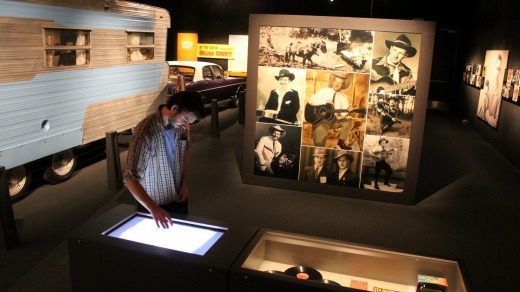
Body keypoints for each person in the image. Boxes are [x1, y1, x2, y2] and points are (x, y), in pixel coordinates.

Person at [123, 91, 205, 229]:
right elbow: (129, 176)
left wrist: (184, 184)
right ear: (174, 108)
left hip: (178, 196)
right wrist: (153, 208)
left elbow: (185, 152)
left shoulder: (180, 127)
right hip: (154, 203)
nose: (186, 126)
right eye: (185, 120)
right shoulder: (146, 131)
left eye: (189, 122)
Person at [307, 72, 353, 150]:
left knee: (348, 120)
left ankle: (341, 143)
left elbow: (343, 113)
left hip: (333, 120)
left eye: (340, 83)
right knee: (319, 145)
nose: (337, 84)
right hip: (320, 119)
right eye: (336, 81)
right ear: (333, 82)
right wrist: (325, 102)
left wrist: (346, 114)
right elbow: (310, 101)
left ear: (343, 85)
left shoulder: (344, 97)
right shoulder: (324, 91)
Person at [477, 53, 503, 128]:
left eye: (499, 69)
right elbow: (481, 109)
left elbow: (495, 122)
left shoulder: (499, 91)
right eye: (497, 68)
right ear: (494, 69)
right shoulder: (487, 84)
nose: (498, 73)